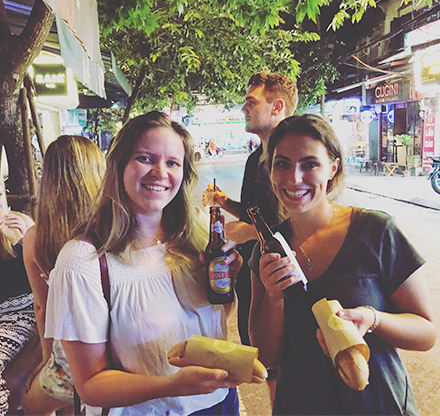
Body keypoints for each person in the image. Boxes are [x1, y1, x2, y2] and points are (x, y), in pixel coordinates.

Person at [43, 111, 243, 415]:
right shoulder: (83, 262)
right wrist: (172, 385)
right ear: (119, 166)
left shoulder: (196, 239)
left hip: (220, 402)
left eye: (173, 163)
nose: (160, 172)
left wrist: (225, 287)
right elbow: (91, 385)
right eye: (146, 159)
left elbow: (211, 327)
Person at [248, 114, 437, 415]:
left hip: (377, 404)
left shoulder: (376, 231)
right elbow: (266, 358)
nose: (294, 178)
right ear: (270, 171)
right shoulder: (268, 250)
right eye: (282, 164)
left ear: (332, 168)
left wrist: (371, 319)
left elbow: (426, 333)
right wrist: (274, 297)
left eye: (310, 164)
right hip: (300, 406)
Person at [203, 71, 298, 348]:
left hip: (280, 276)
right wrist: (224, 202)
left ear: (277, 107)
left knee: (280, 359)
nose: (243, 108)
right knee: (255, 351)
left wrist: (242, 233)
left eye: (251, 102)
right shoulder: (255, 157)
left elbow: (292, 225)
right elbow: (253, 212)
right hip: (250, 272)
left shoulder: (291, 159)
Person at [22, 135, 106, 415]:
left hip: (72, 362)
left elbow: (42, 308)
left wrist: (47, 361)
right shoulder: (112, 229)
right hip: (116, 353)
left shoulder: (35, 238)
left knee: (31, 405)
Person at [0, 177, 36, 415]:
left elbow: (47, 277)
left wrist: (29, 242)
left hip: (23, 313)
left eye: (0, 195)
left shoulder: (23, 226)